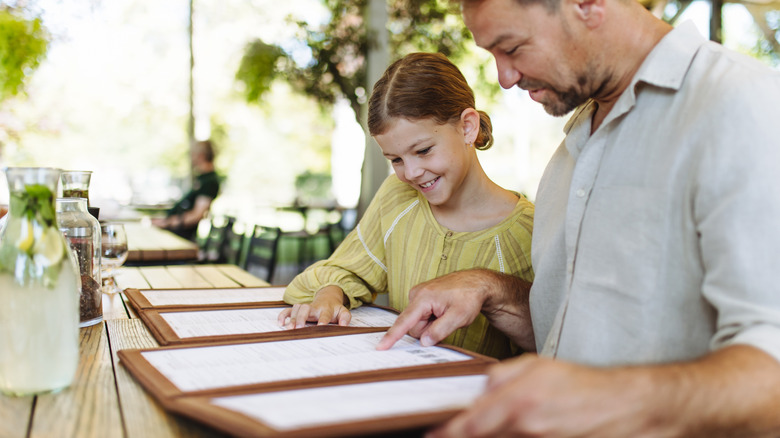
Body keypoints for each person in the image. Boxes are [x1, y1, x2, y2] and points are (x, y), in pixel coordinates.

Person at [377, 0, 780, 436]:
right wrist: (491, 289)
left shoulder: (743, 106)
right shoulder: (571, 151)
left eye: (511, 47)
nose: (505, 78)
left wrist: (612, 397)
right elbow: (571, 339)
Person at [277, 52, 535, 359]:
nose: (410, 173)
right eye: (396, 159)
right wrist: (331, 293)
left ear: (467, 127)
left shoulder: (530, 231)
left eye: (423, 150)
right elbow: (347, 269)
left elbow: (555, 342)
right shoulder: (398, 197)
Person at [153, 140, 221, 241]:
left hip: (180, 236)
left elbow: (197, 215)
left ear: (201, 156)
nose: (191, 158)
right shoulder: (201, 179)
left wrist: (168, 222)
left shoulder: (209, 181)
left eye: (192, 154)